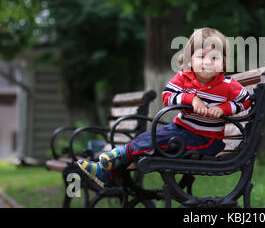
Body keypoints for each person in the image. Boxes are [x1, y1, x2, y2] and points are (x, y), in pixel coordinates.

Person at [77, 27, 253, 188]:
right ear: (189, 59)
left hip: (206, 140)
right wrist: (190, 99)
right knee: (148, 138)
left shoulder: (228, 85)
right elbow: (167, 97)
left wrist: (224, 108)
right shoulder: (183, 78)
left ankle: (117, 156)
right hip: (180, 129)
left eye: (214, 58)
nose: (207, 62)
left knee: (155, 142)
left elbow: (245, 101)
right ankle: (107, 171)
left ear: (223, 62)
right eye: (201, 57)